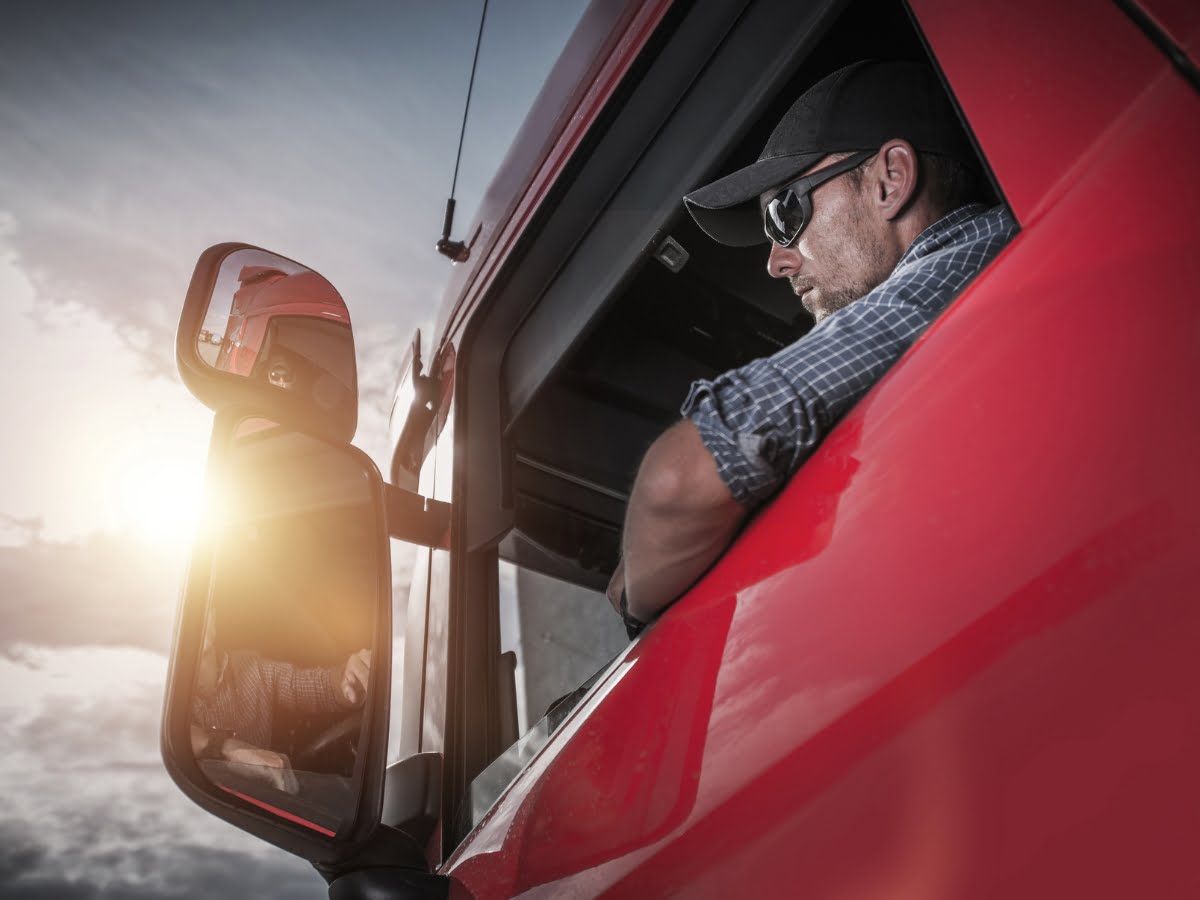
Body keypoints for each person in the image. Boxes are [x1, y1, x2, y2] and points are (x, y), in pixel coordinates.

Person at [606, 59, 1018, 636]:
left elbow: (680, 482)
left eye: (785, 213)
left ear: (888, 179)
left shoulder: (952, 267)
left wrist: (633, 597)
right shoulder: (978, 270)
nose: (776, 262)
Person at [190, 611, 371, 793]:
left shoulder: (253, 669)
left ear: (212, 617)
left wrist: (350, 678)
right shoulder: (164, 691)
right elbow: (172, 735)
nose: (193, 619)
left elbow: (316, 687)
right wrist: (221, 747)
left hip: (264, 803)